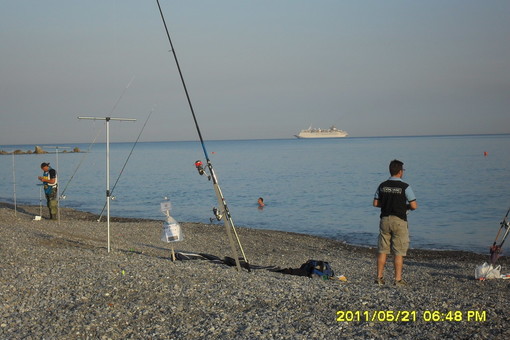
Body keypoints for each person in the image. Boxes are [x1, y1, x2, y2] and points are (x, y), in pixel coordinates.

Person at [373, 159, 417, 286]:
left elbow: (375, 203)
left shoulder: (382, 185)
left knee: (382, 249)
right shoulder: (405, 186)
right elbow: (414, 205)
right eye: (403, 170)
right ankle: (397, 279)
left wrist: (387, 204)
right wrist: (405, 207)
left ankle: (379, 277)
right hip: (399, 220)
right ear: (400, 172)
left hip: (385, 219)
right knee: (399, 251)